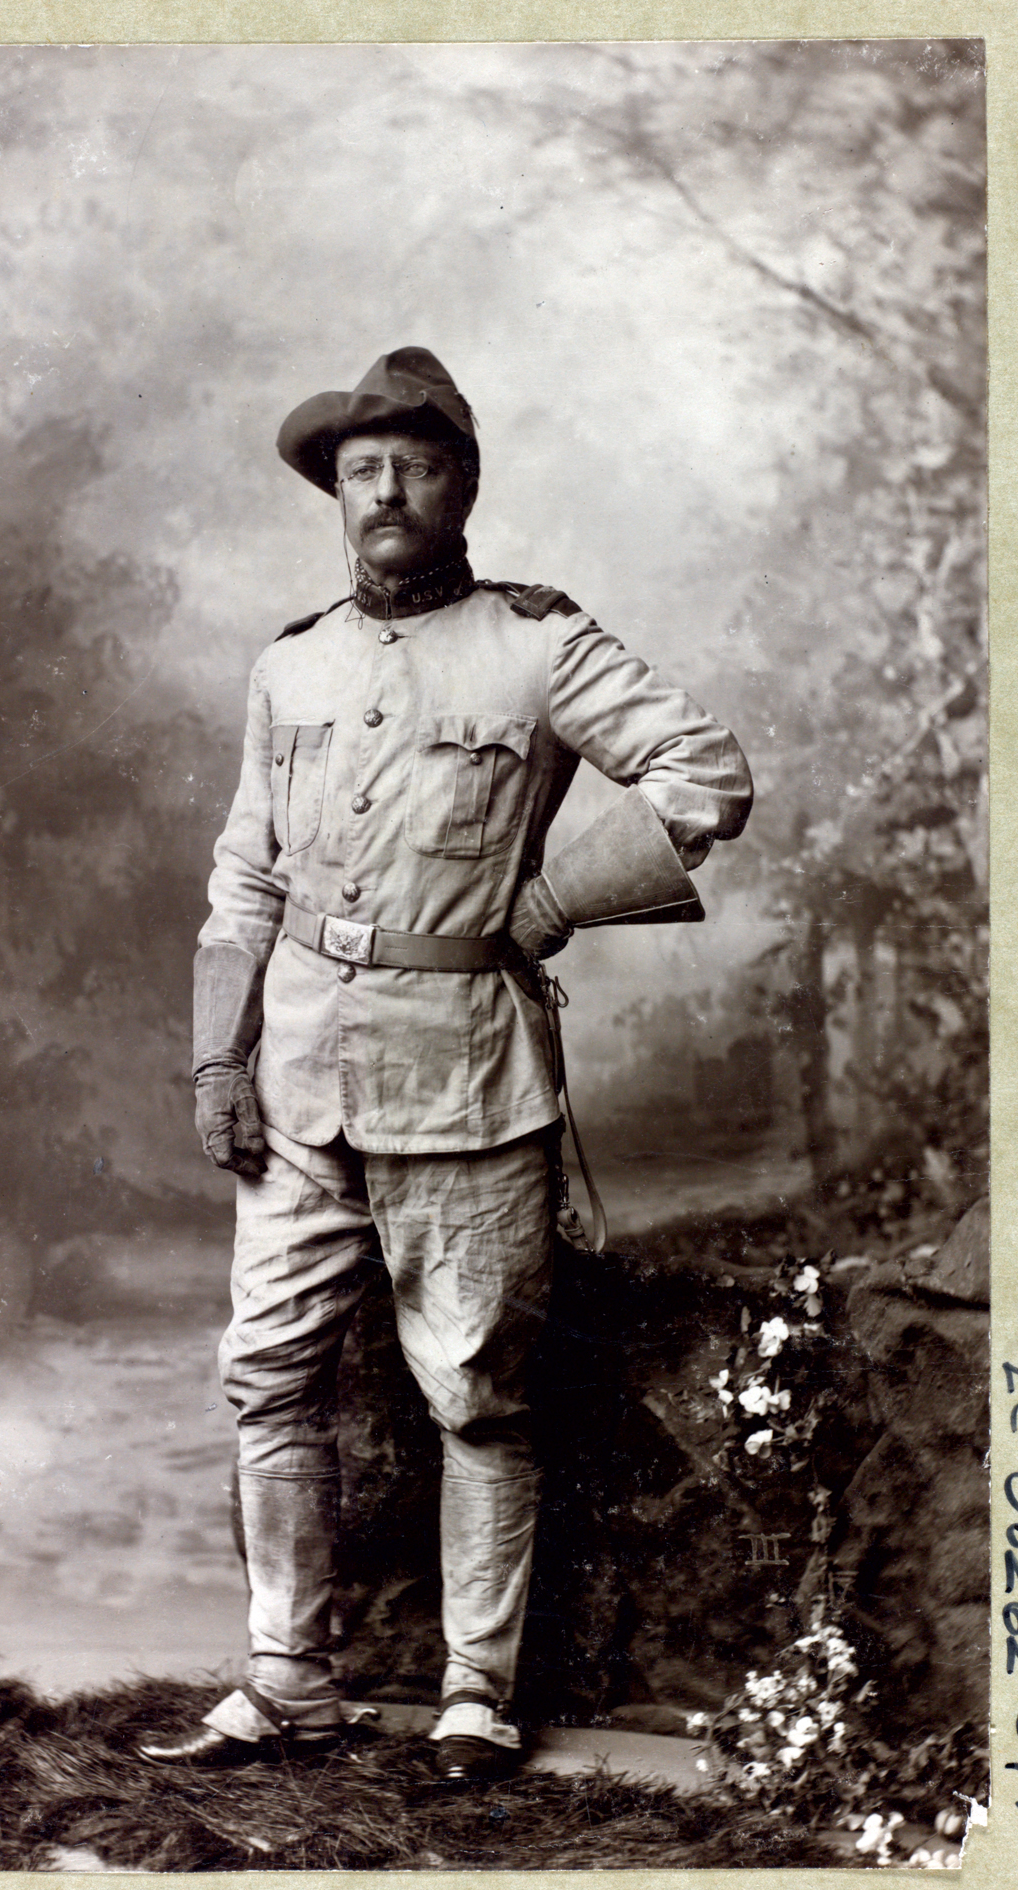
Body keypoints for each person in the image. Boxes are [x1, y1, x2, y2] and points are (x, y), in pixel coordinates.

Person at [137, 347, 753, 1781]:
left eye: (414, 466)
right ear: (335, 495)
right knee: (265, 1375)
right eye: (361, 472)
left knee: (475, 1390)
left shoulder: (534, 643)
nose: (386, 493)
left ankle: (478, 1689)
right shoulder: (290, 662)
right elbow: (244, 874)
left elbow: (705, 773)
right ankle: (289, 1677)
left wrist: (549, 900)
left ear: (461, 483)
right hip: (299, 1084)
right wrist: (210, 1061)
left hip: (467, 1086)